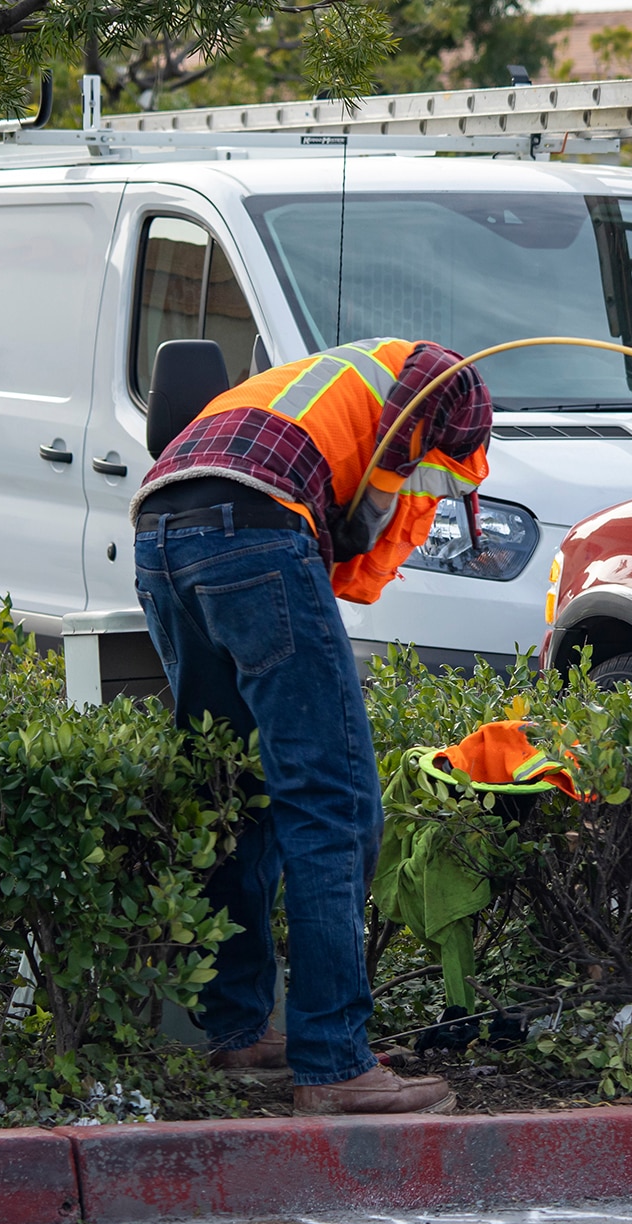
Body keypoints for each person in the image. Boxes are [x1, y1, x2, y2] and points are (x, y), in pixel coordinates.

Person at [130, 336, 492, 1115]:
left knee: (235, 792)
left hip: (160, 534)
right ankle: (333, 1061)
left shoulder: (319, 380)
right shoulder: (438, 382)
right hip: (254, 527)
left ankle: (240, 1029)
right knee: (334, 802)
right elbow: (379, 495)